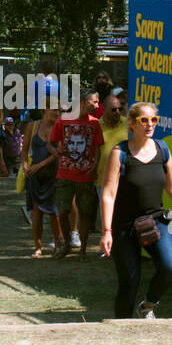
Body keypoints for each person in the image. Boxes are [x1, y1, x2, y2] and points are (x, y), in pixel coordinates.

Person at [98, 102, 172, 319]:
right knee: (129, 281)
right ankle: (122, 328)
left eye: (154, 120)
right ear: (132, 124)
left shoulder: (162, 149)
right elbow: (108, 194)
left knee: (171, 266)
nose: (150, 124)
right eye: (144, 120)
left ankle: (147, 306)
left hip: (155, 220)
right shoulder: (119, 152)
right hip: (124, 226)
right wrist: (106, 231)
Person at [48, 87, 104, 259]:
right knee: (62, 212)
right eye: (94, 102)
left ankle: (83, 250)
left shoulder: (95, 123)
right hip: (65, 174)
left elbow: (97, 148)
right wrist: (55, 152)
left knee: (85, 212)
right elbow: (50, 143)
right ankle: (66, 246)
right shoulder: (63, 120)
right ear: (83, 101)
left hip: (86, 176)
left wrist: (94, 164)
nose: (97, 105)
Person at [23, 105, 62, 257]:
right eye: (55, 110)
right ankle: (37, 247)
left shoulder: (59, 126)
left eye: (60, 110)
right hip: (35, 175)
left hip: (53, 173)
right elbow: (24, 149)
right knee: (36, 211)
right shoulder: (33, 126)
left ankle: (58, 245)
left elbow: (58, 152)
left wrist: (38, 165)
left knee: (54, 211)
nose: (58, 113)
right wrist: (25, 165)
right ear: (45, 109)